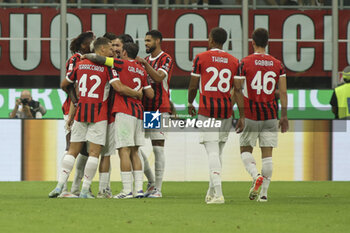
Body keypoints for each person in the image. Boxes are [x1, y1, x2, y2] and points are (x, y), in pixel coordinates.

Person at [49, 37, 142, 198]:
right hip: (99, 114)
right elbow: (118, 87)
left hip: (81, 112)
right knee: (94, 153)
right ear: (102, 50)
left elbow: (65, 84)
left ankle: (59, 186)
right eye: (109, 48)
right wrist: (136, 94)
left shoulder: (79, 64)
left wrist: (75, 101)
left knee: (72, 151)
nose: (112, 51)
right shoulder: (108, 67)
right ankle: (85, 190)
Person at [188, 27, 245, 204]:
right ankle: (211, 191)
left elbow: (193, 85)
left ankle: (219, 194)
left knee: (212, 151)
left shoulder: (201, 58)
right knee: (218, 152)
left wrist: (190, 102)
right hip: (226, 112)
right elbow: (238, 90)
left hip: (207, 111)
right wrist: (241, 116)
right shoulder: (235, 61)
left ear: (211, 39)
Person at [236, 28, 288, 202]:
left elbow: (237, 89)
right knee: (267, 155)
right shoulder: (277, 64)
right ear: (267, 42)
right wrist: (284, 116)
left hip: (251, 114)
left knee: (245, 150)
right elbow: (283, 92)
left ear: (252, 42)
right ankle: (264, 195)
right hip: (271, 114)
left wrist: (241, 115)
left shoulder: (244, 62)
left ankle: (255, 175)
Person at [111, 43, 154, 199]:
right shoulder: (141, 70)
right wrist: (139, 91)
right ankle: (139, 190)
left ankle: (127, 191)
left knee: (124, 150)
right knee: (135, 151)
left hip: (124, 111)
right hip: (139, 113)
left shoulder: (120, 64)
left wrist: (87, 56)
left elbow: (119, 88)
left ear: (123, 52)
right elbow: (151, 94)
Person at [136, 30, 174, 198]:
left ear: (158, 41)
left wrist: (144, 64)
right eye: (145, 41)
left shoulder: (165, 58)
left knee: (158, 148)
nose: (146, 43)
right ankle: (151, 181)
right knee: (133, 146)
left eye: (149, 41)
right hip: (142, 108)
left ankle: (157, 189)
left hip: (158, 109)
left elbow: (159, 77)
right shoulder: (143, 62)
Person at [59, 31, 95, 198]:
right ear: (83, 45)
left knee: (85, 152)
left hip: (84, 110)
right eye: (91, 41)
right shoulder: (75, 60)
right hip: (72, 109)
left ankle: (75, 187)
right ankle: (63, 188)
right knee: (70, 147)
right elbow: (68, 84)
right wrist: (76, 104)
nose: (94, 43)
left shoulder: (89, 61)